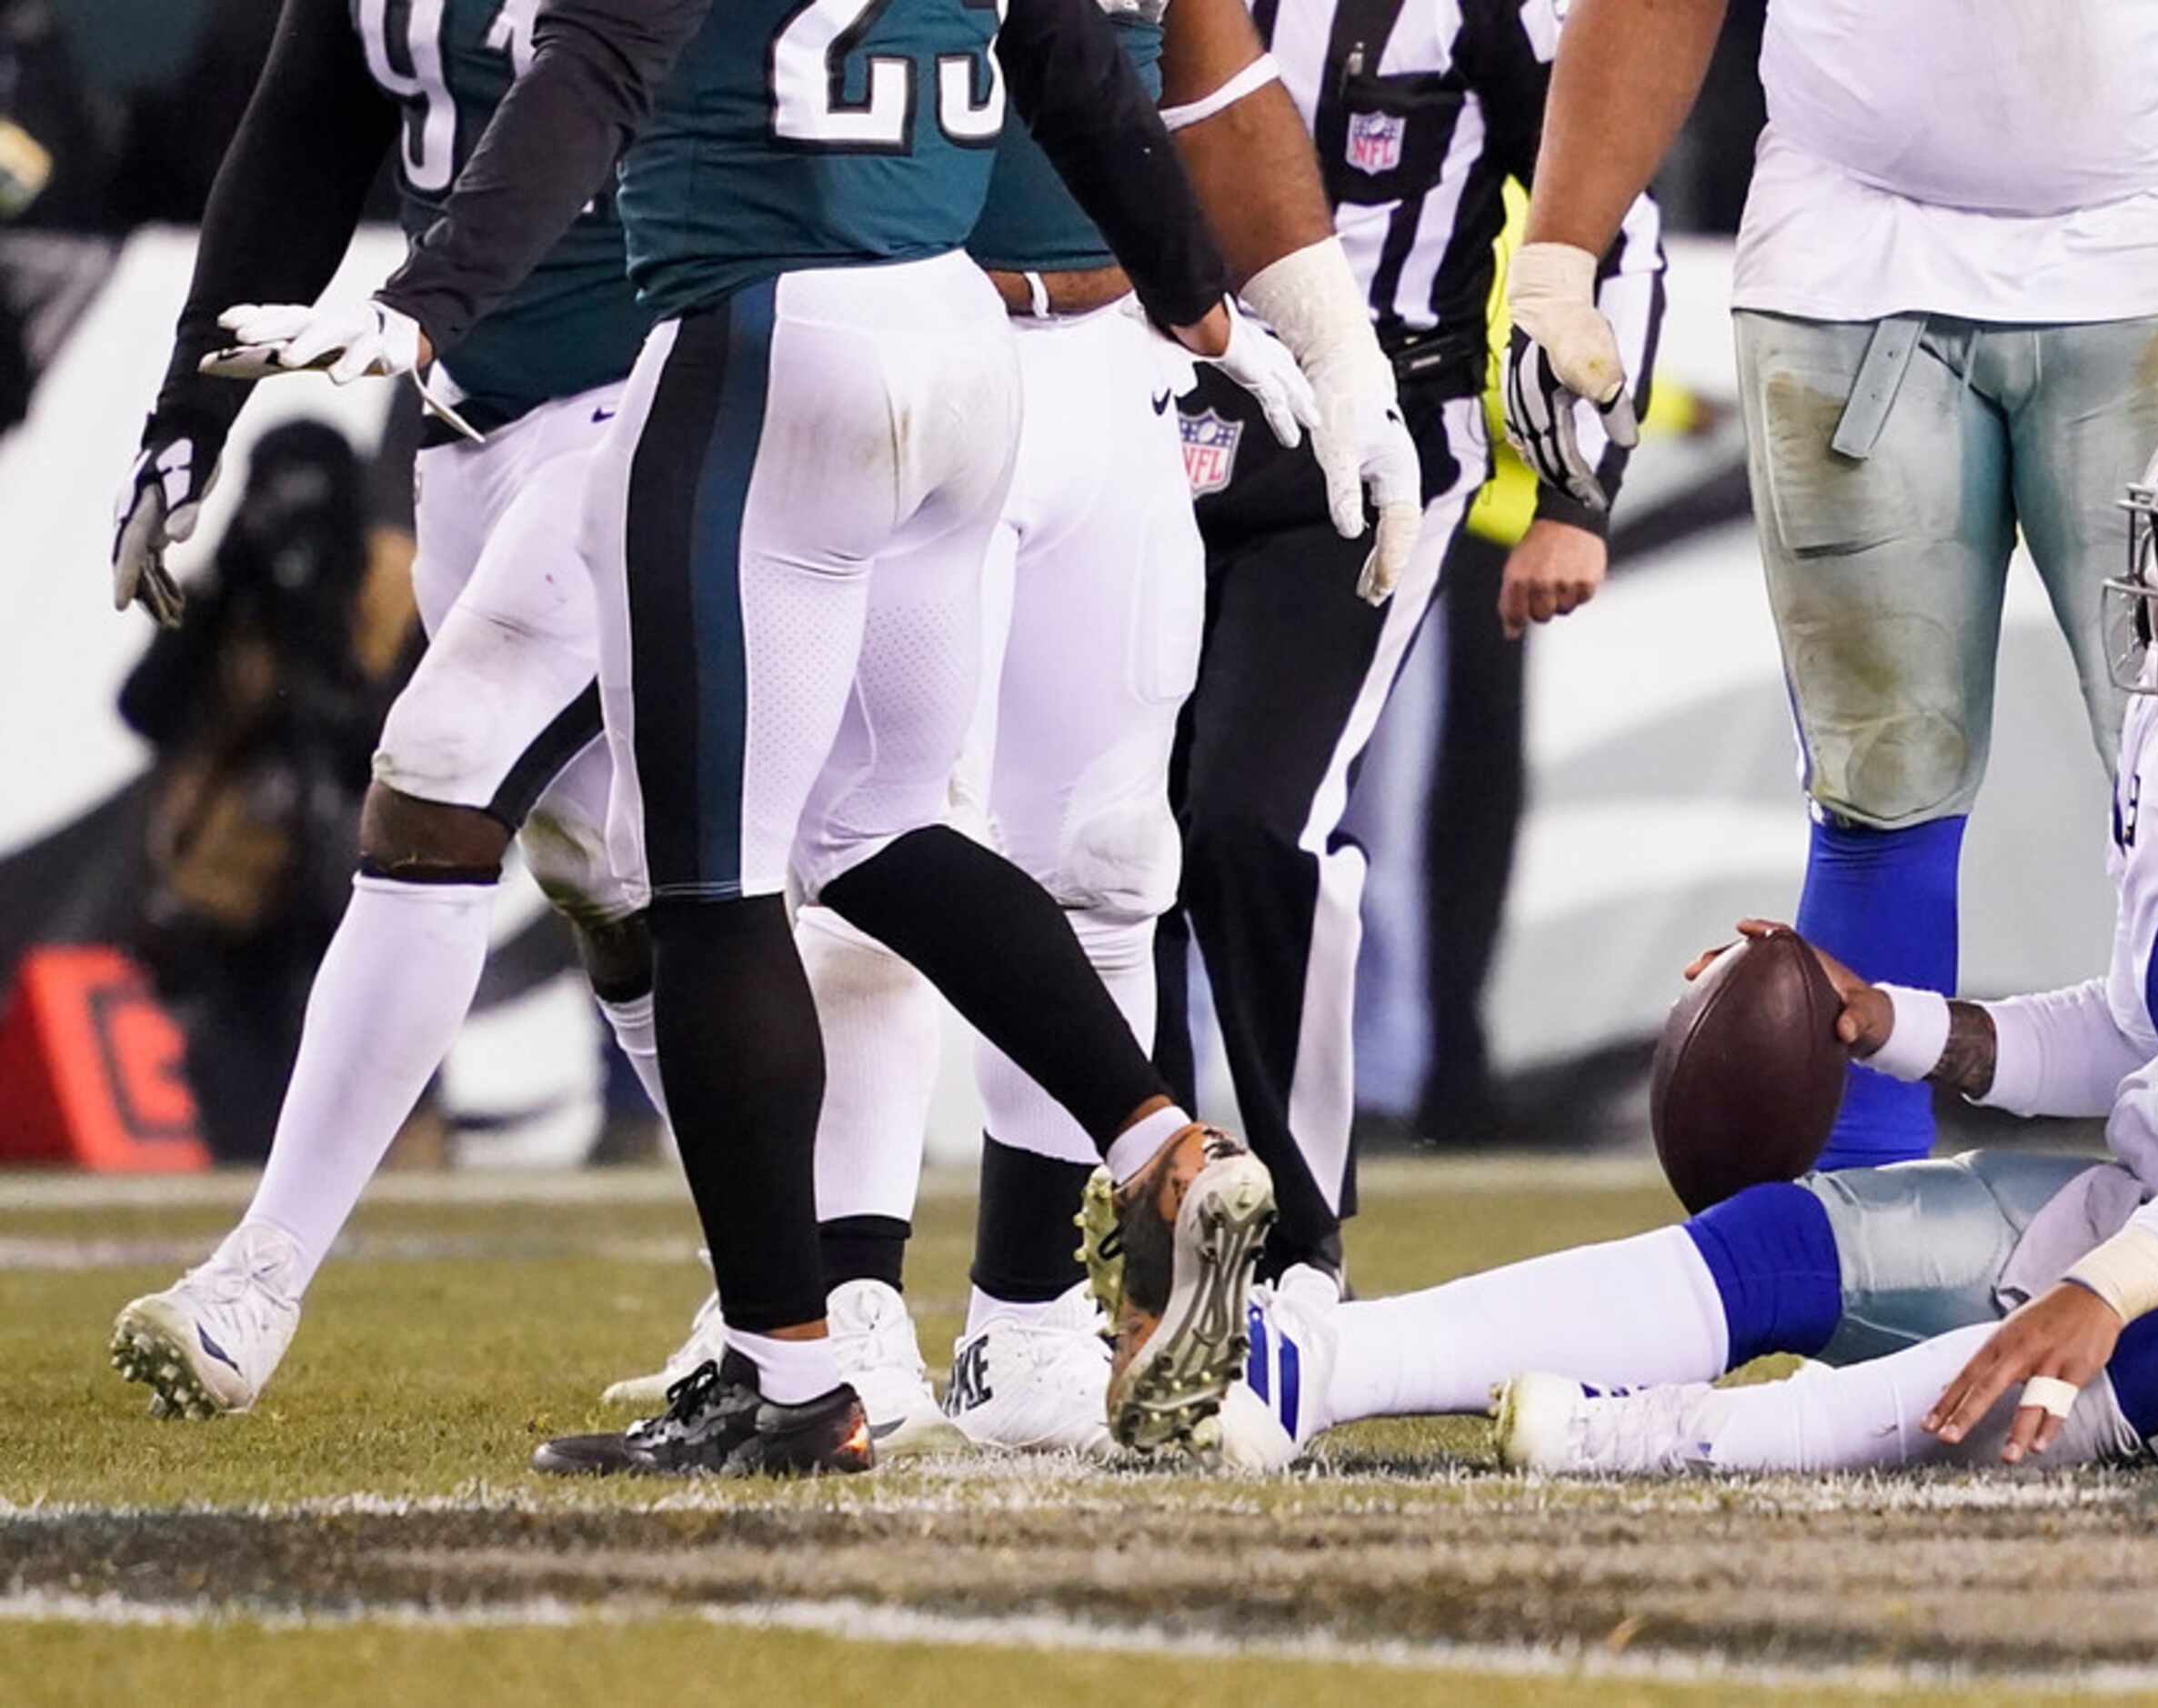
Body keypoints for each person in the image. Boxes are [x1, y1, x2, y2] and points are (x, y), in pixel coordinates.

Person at [182, 0, 1316, 1475]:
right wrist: (1203, 302)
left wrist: (421, 307)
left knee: (708, 880)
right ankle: (1158, 1143)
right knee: (882, 827)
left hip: (766, 336)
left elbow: (592, 70)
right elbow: (1074, 61)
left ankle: (787, 1372)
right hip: (962, 342)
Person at [1218, 365, 2158, 1482]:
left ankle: (1678, 1436)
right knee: (1790, 1235)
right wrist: (1890, 1024)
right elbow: (2141, 1030)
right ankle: (1324, 1358)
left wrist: (2105, 1283)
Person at [1501, 0, 2158, 1170]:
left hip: (2155, 242)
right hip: (1846, 243)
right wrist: (1559, 257)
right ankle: (1863, 1243)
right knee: (1879, 774)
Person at [599, 0, 1425, 1462]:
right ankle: (836, 1298)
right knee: (861, 844)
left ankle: (1028, 1315)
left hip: (1106, 353)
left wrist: (1336, 345)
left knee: (1108, 851)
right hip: (916, 314)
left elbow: (1205, 78)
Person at [106, 0, 660, 1421]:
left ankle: (257, 1278)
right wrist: (187, 420)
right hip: (473, 422)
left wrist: (417, 312)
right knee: (614, 872)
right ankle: (812, 1308)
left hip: (652, 390)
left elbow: (585, 93)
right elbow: (305, 133)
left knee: (440, 764)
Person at [1151, 0, 1666, 1293]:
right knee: (1111, 846)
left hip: (1372, 442)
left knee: (1251, 822)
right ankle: (1124, 1228)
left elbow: (1610, 224)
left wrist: (1572, 494)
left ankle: (1296, 1237)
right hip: (1146, 414)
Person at [115, 420, 402, 1166]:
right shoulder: (234, 586)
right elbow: (145, 707)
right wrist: (219, 595)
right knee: (240, 1068)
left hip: (368, 858)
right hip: (235, 868)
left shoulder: (391, 578)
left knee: (372, 1050)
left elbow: (384, 738)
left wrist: (316, 632)